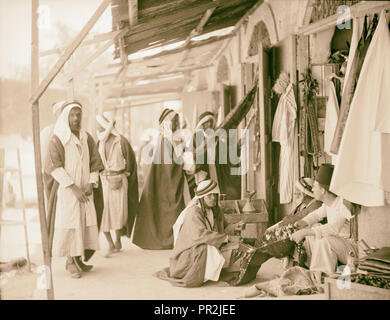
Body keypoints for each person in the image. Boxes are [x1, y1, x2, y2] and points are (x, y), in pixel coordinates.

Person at [154, 179, 270, 288]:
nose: (213, 198)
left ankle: (225, 267)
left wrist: (235, 227)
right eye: (209, 196)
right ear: (201, 197)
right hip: (192, 252)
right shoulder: (194, 212)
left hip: (212, 243)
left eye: (215, 195)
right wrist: (228, 239)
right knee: (214, 249)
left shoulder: (216, 209)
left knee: (244, 248)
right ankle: (209, 272)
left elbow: (223, 228)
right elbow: (201, 236)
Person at [45, 102, 104, 279]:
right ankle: (70, 262)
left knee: (83, 223)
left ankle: (78, 260)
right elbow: (54, 167)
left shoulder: (87, 137)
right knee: (71, 223)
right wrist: (73, 187)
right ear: (65, 117)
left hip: (85, 190)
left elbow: (95, 163)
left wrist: (90, 183)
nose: (76, 118)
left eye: (78, 115)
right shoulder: (58, 139)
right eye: (72, 115)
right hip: (68, 191)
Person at [132, 108, 193, 249]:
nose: (175, 124)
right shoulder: (166, 140)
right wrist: (184, 162)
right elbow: (170, 164)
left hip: (171, 178)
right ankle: (171, 239)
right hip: (166, 180)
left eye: (176, 121)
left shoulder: (173, 139)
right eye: (173, 121)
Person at [290, 163, 358, 277]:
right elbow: (316, 215)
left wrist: (303, 232)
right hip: (339, 244)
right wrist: (301, 223)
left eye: (315, 186)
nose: (312, 189)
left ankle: (320, 277)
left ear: (322, 190)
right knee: (314, 227)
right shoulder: (328, 204)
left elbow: (333, 228)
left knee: (325, 241)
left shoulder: (342, 204)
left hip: (351, 249)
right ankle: (316, 271)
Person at [96, 112, 139, 257]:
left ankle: (117, 241)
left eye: (100, 125)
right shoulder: (100, 142)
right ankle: (110, 243)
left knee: (118, 213)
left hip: (120, 181)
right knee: (104, 214)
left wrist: (123, 173)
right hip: (104, 182)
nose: (98, 128)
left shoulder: (121, 141)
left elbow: (130, 162)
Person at [193, 111, 242, 199]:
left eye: (211, 121)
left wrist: (237, 148)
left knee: (218, 191)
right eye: (207, 122)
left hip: (216, 168)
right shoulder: (196, 138)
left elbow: (226, 152)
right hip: (204, 170)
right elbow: (194, 156)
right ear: (202, 125)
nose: (210, 124)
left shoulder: (216, 138)